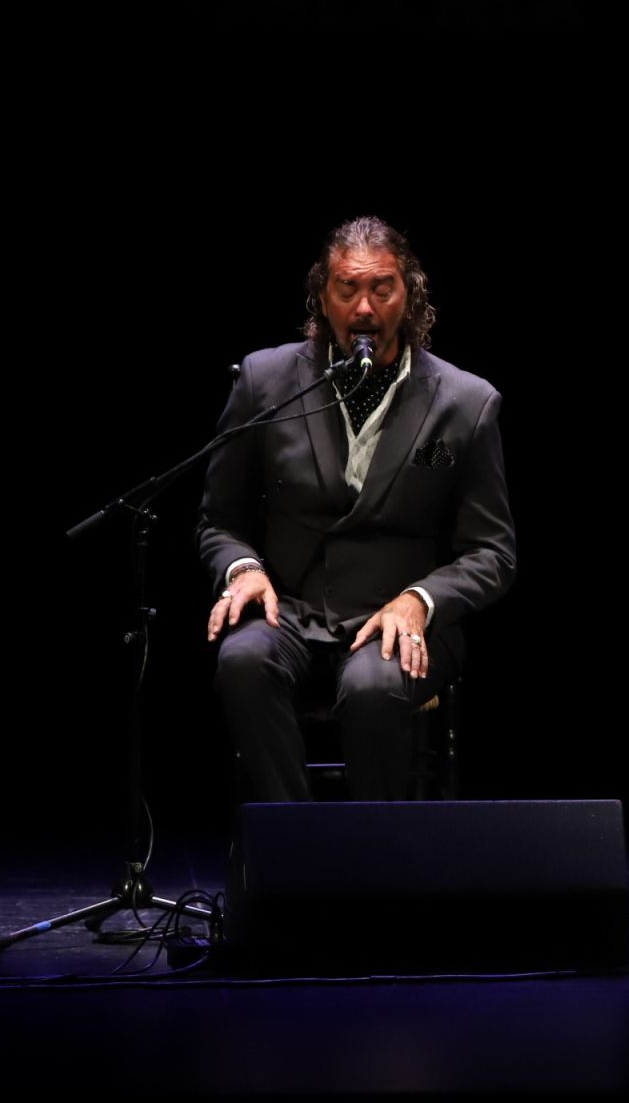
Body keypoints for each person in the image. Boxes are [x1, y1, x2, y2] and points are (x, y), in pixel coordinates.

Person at [198, 216, 516, 802]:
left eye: (382, 288)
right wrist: (243, 569)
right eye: (348, 289)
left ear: (411, 294)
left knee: (374, 687)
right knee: (242, 662)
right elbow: (220, 519)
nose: (364, 307)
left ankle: (376, 868)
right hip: (289, 614)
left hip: (398, 627)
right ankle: (296, 852)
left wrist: (421, 601)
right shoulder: (264, 382)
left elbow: (493, 552)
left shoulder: (467, 404)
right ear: (322, 296)